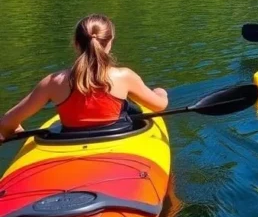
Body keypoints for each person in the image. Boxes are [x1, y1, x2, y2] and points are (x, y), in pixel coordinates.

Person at [0, 15, 169, 142]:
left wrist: (14, 129)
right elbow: (159, 106)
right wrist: (161, 92)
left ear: (75, 43)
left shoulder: (53, 82)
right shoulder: (124, 76)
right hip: (119, 139)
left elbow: (6, 123)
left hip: (68, 143)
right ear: (109, 43)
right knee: (134, 110)